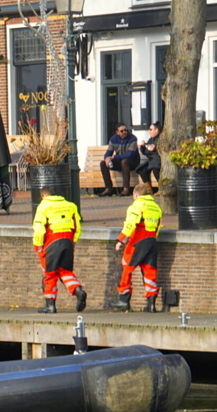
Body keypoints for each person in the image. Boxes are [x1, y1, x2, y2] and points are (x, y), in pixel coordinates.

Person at [109, 183, 162, 313]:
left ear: (136, 194)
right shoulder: (156, 207)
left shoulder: (137, 205)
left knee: (127, 267)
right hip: (151, 241)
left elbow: (130, 224)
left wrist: (120, 240)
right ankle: (151, 304)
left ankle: (124, 300)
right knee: (150, 272)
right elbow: (158, 227)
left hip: (137, 241)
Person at [32, 186, 86, 314]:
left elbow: (39, 228)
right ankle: (78, 290)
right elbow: (77, 226)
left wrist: (38, 245)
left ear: (44, 196)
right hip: (67, 241)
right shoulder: (71, 205)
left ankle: (50, 306)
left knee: (49, 274)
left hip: (51, 242)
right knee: (65, 271)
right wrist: (73, 242)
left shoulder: (43, 206)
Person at [99, 123, 140, 197]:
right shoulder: (113, 139)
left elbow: (130, 155)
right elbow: (109, 152)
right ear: (117, 132)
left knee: (125, 161)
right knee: (103, 163)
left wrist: (114, 157)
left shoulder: (133, 138)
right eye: (122, 131)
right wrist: (107, 158)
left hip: (133, 161)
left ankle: (126, 189)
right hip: (120, 162)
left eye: (125, 130)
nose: (124, 132)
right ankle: (108, 188)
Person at [135, 122, 162, 193]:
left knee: (155, 168)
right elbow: (146, 153)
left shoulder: (161, 139)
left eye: (151, 129)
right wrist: (143, 147)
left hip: (158, 160)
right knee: (142, 169)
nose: (149, 131)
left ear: (156, 130)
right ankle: (148, 189)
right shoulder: (151, 139)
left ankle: (161, 188)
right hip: (151, 160)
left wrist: (155, 148)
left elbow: (161, 151)